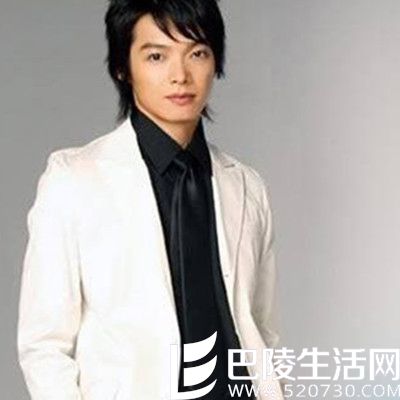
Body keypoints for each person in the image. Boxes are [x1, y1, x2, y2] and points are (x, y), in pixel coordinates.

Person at [17, 0, 283, 399]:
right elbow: (44, 346)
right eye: (157, 56)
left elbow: (260, 329)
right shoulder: (74, 180)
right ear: (123, 67)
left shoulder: (246, 186)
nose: (180, 75)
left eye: (197, 53)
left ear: (216, 62)